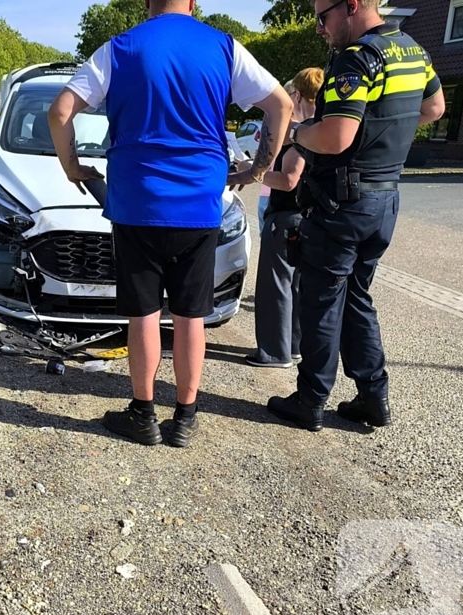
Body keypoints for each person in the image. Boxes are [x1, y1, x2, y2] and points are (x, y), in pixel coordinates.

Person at [48, 0, 292, 447]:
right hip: (199, 206)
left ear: (146, 3)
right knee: (190, 314)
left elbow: (60, 111)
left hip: (135, 203)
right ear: (195, 3)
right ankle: (185, 418)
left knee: (142, 313)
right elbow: (280, 105)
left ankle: (142, 415)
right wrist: (256, 172)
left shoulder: (119, 48)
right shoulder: (223, 47)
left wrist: (73, 168)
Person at [267, 0, 445, 431]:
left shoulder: (357, 57)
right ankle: (373, 397)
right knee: (358, 299)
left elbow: (336, 135)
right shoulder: (413, 51)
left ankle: (310, 401)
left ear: (351, 6)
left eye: (321, 17)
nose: (318, 29)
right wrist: (384, 137)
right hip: (384, 200)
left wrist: (295, 131)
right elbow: (434, 108)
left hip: (342, 204)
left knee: (323, 301)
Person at [246, 68, 324, 369]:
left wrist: (254, 172)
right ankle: (292, 347)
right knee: (295, 286)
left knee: (275, 285)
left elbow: (289, 179)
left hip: (285, 216)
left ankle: (273, 352)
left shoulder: (299, 134)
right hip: (306, 217)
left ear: (298, 95)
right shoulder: (320, 130)